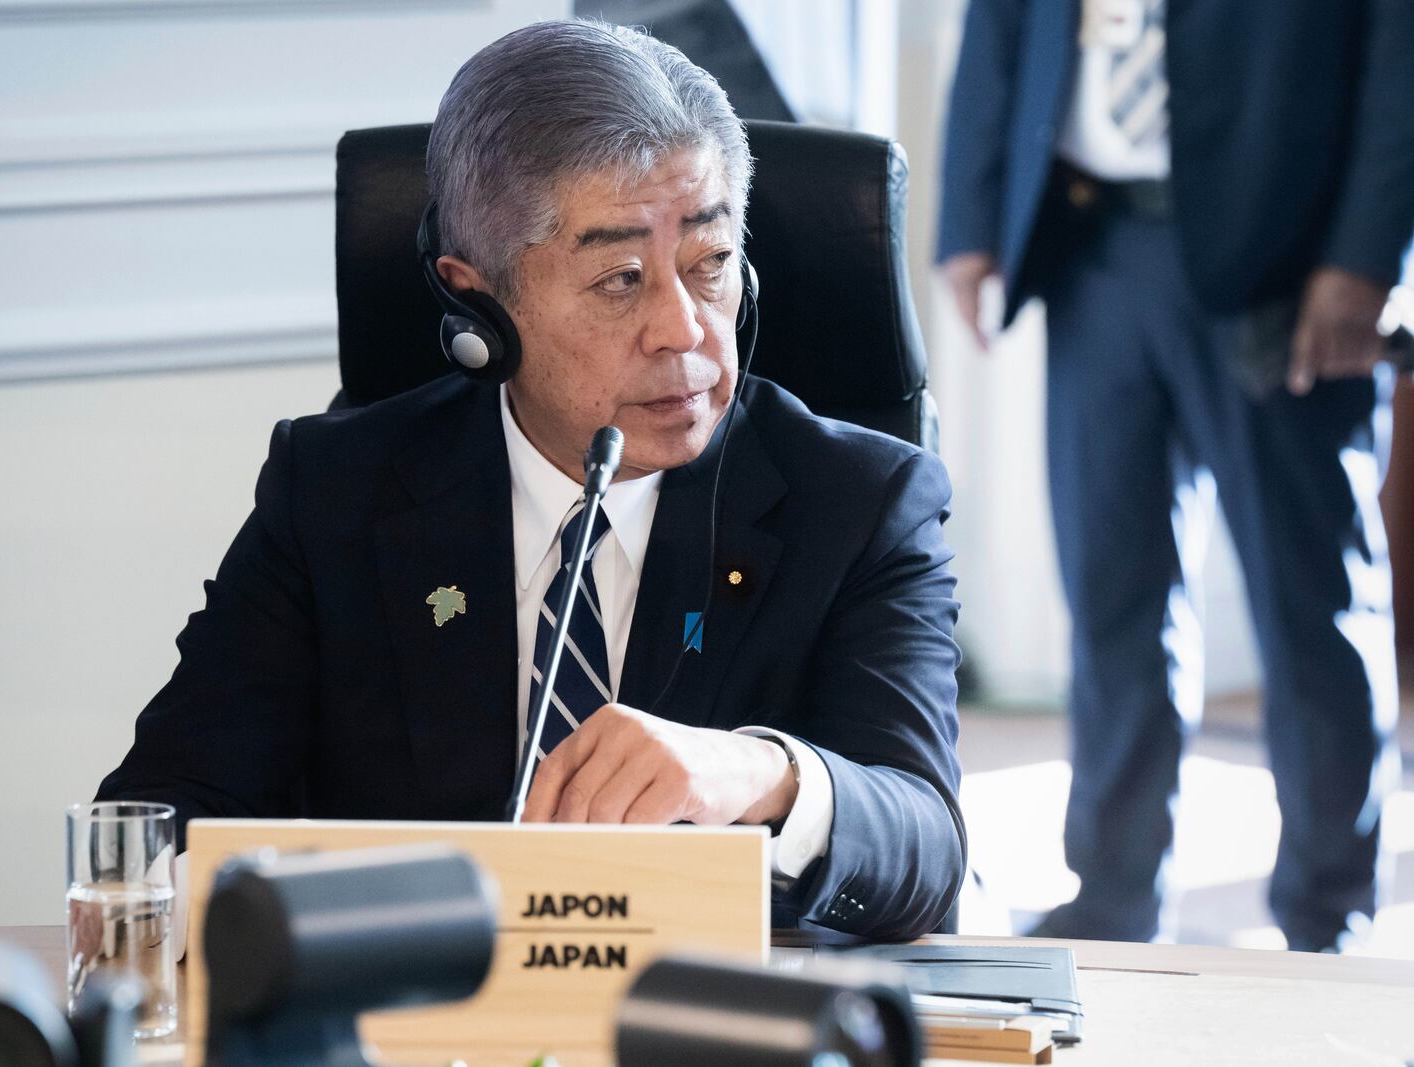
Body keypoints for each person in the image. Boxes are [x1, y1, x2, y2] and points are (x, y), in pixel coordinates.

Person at [98, 19, 965, 940]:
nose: (684, 329)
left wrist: (766, 776)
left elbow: (928, 850)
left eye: (711, 265)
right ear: (479, 302)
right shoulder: (335, 496)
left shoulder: (862, 502)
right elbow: (158, 818)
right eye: (621, 279)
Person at [939, 0, 1414, 950]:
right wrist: (969, 212)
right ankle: (1113, 893)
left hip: (1288, 255)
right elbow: (1003, 21)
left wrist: (1366, 259)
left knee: (1310, 605)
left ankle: (1329, 911)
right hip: (1088, 246)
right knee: (1112, 593)